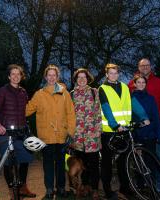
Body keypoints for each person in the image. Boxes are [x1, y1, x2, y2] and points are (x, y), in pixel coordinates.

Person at [26, 64, 76, 199]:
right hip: (45, 137)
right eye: (49, 75)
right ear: (46, 77)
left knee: (60, 165)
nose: (52, 77)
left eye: (54, 75)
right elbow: (27, 110)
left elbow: (71, 114)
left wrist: (70, 132)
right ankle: (49, 189)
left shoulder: (65, 94)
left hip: (62, 136)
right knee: (47, 164)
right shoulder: (39, 94)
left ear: (57, 77)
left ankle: (60, 188)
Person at [0, 64, 36, 199]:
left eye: (18, 74)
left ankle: (22, 187)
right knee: (8, 162)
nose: (16, 76)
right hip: (5, 131)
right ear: (9, 76)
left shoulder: (23, 92)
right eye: (13, 74)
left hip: (20, 131)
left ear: (21, 76)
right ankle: (11, 189)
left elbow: (26, 111)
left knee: (25, 159)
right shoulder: (3, 91)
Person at [99, 63, 133, 199]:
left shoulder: (124, 87)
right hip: (109, 131)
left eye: (116, 73)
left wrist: (131, 122)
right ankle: (107, 191)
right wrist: (115, 125)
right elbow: (106, 108)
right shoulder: (102, 88)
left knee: (124, 162)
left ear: (118, 74)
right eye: (111, 73)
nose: (113, 75)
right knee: (107, 163)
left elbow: (129, 105)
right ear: (107, 75)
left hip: (124, 130)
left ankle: (124, 188)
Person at [128, 58, 160, 159]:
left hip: (154, 122)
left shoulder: (158, 82)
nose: (145, 67)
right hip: (139, 125)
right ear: (139, 67)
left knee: (155, 152)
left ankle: (157, 172)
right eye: (142, 65)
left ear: (150, 67)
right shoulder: (131, 84)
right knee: (139, 155)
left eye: (147, 65)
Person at [70, 68, 101, 200]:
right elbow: (69, 115)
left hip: (92, 137)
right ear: (76, 80)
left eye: (84, 77)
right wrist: (70, 134)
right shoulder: (71, 94)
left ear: (88, 79)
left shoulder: (94, 92)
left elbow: (98, 112)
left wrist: (98, 131)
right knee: (81, 165)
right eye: (79, 77)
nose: (82, 79)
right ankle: (83, 187)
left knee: (93, 164)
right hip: (78, 137)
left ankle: (94, 189)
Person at [131, 74, 160, 155]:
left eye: (143, 82)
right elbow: (130, 118)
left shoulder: (151, 98)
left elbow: (156, 116)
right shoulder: (130, 99)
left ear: (146, 84)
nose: (141, 84)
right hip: (138, 135)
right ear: (135, 84)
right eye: (138, 82)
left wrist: (159, 134)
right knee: (140, 161)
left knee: (151, 159)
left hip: (150, 134)